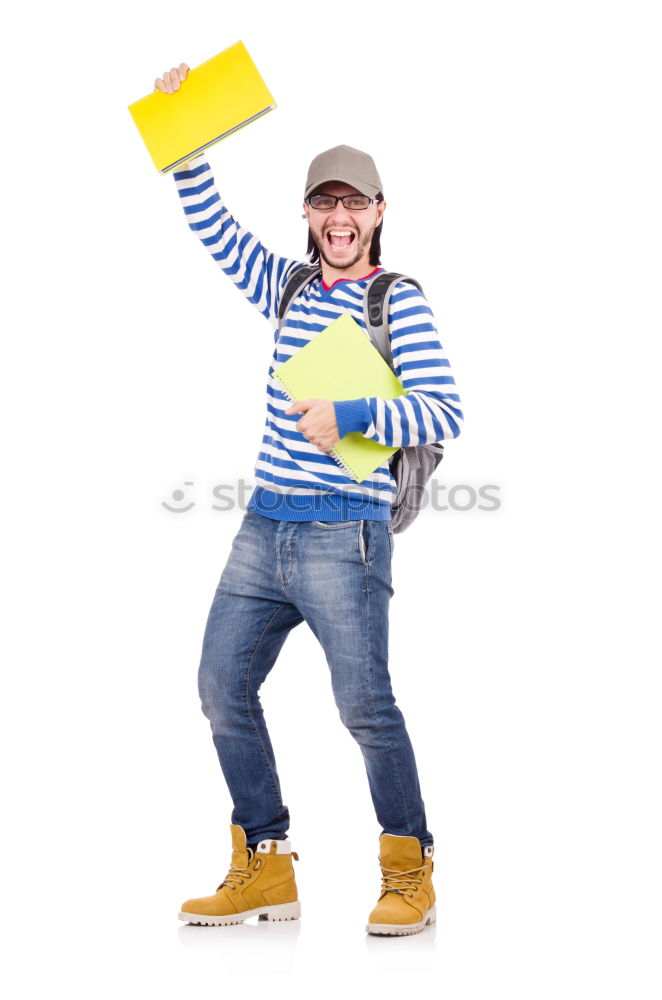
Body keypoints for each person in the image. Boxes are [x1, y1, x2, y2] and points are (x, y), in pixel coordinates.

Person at [155, 62, 463, 936]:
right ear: (308, 214)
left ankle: (410, 871)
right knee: (221, 686)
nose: (338, 218)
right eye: (323, 204)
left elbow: (445, 408)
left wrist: (355, 412)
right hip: (263, 529)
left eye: (353, 204)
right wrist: (187, 129)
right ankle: (266, 864)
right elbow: (213, 228)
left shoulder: (394, 301)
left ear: (378, 213)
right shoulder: (285, 286)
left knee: (365, 707)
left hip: (346, 538)